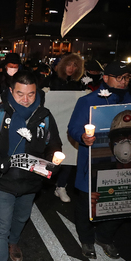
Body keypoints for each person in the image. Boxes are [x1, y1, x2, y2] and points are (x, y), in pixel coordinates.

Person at [0, 70, 62, 261]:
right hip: (4, 181)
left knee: (21, 218)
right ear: (11, 91)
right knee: (0, 228)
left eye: (31, 94)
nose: (25, 99)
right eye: (20, 94)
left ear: (37, 93)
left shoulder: (44, 116)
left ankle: (13, 242)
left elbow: (53, 143)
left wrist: (54, 158)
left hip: (31, 181)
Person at [67, 61, 131, 260]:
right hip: (93, 163)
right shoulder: (88, 100)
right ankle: (87, 239)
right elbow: (73, 128)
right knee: (88, 203)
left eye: (127, 78)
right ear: (105, 78)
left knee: (120, 201)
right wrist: (82, 136)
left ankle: (105, 236)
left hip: (121, 164)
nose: (124, 82)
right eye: (119, 77)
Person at [49, 53, 85, 203]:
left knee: (69, 154)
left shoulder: (79, 85)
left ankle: (61, 186)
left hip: (69, 124)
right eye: (69, 64)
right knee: (49, 154)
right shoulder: (50, 81)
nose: (71, 68)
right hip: (52, 124)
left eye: (75, 65)